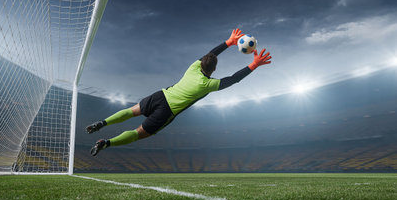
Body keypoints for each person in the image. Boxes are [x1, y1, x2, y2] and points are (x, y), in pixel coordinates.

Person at [87, 29, 272, 156]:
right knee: (138, 133)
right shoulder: (208, 84)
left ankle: (103, 122)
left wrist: (229, 42)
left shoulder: (193, 67)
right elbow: (233, 79)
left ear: (201, 63)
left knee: (130, 111)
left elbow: (211, 53)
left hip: (159, 95)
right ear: (214, 70)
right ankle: (106, 143)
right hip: (166, 111)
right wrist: (254, 64)